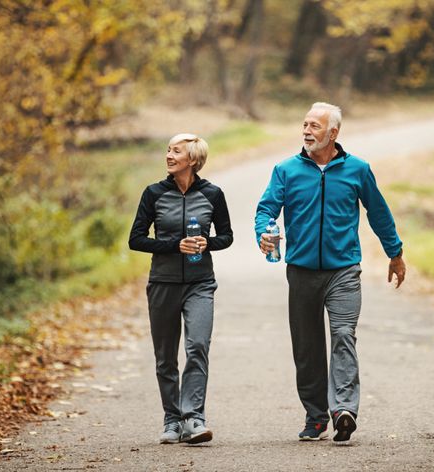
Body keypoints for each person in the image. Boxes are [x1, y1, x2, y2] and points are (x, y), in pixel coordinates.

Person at [254, 102, 406, 442]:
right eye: (305, 124)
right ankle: (316, 415)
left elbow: (378, 212)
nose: (307, 131)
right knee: (307, 348)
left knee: (343, 335)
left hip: (344, 270)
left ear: (333, 133)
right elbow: (266, 209)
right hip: (302, 271)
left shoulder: (358, 170)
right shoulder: (286, 170)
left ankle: (344, 410)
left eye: (315, 126)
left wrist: (394, 253)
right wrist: (265, 232)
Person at [128, 133, 233, 444]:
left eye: (176, 152)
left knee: (197, 346)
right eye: (168, 150)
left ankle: (194, 418)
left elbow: (226, 236)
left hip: (200, 283)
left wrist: (207, 242)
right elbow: (136, 239)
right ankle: (172, 419)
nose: (169, 156)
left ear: (193, 159)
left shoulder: (213, 194)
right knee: (165, 357)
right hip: (163, 283)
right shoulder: (153, 194)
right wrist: (175, 245)